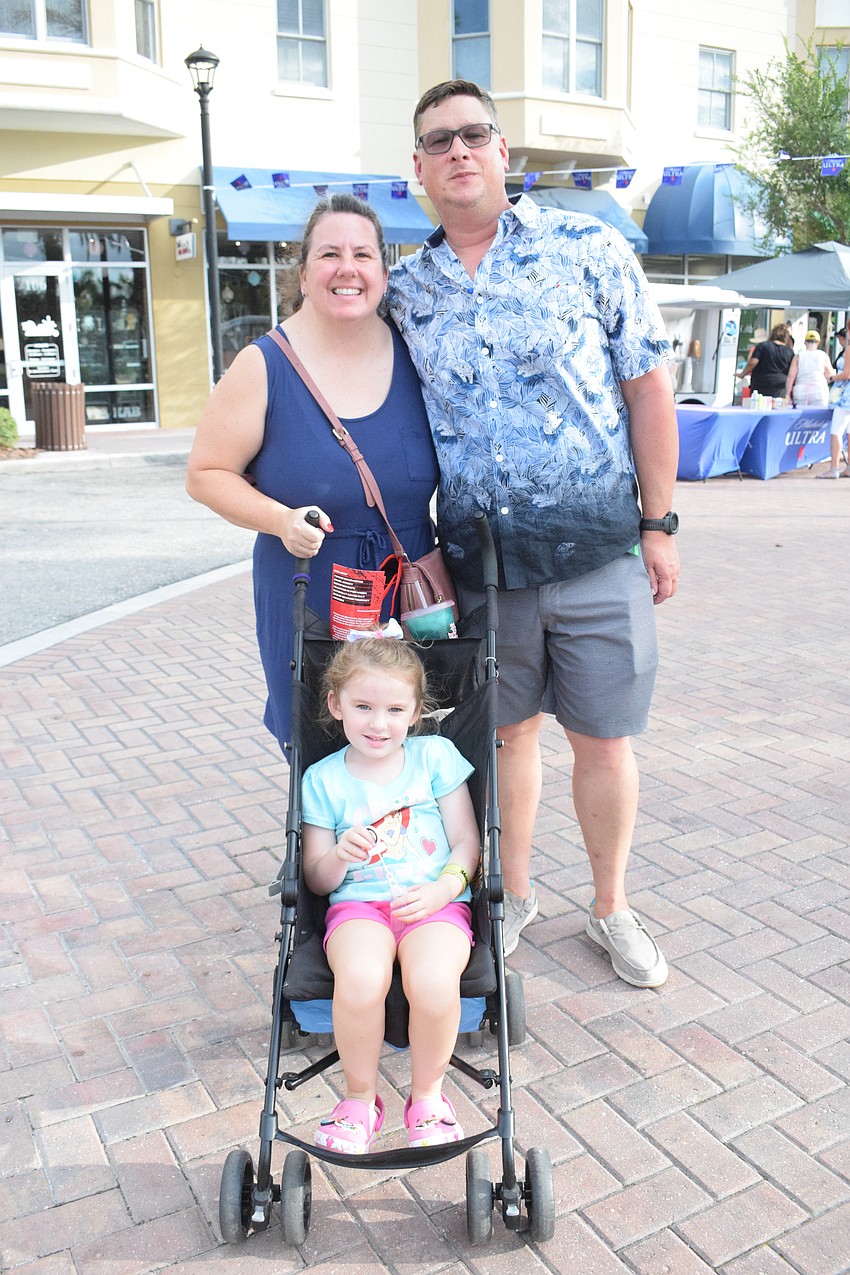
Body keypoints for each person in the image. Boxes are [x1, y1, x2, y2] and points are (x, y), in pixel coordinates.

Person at [389, 79, 679, 987]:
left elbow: (647, 388)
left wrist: (659, 525)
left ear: (504, 151)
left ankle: (611, 906)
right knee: (506, 738)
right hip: (483, 566)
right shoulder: (406, 291)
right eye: (440, 141)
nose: (459, 151)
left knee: (603, 740)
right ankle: (513, 894)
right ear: (419, 169)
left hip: (597, 548)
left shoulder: (586, 248)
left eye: (474, 134)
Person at [186, 194, 439, 751]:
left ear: (382, 271)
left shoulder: (416, 354)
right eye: (329, 254)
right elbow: (206, 472)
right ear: (302, 274)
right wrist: (279, 519)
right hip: (310, 587)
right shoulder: (264, 364)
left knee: (417, 752)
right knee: (324, 755)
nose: (347, 268)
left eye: (363, 255)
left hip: (410, 591)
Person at [301, 637, 480, 1153]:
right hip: (359, 906)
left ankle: (427, 1097)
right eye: (363, 707)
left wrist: (445, 887)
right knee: (360, 978)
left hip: (436, 902)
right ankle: (359, 1099)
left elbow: (468, 842)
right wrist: (338, 854)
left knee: (432, 979)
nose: (378, 724)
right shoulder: (323, 780)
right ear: (336, 706)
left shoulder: (435, 757)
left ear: (416, 713)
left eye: (394, 710)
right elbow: (317, 879)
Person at [737, 324, 794, 400]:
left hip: (761, 383)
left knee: (759, 406)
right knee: (776, 408)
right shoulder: (789, 351)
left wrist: (743, 373)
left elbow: (753, 362)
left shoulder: (762, 346)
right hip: (779, 385)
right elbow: (792, 371)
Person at [786, 329, 832, 411]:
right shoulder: (823, 356)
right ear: (818, 342)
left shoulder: (798, 356)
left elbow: (791, 376)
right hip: (819, 390)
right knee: (819, 418)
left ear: (805, 342)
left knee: (800, 418)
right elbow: (829, 374)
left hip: (801, 390)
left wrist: (787, 394)